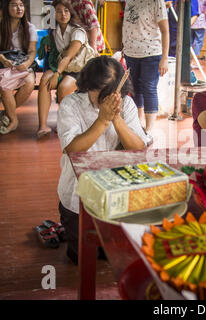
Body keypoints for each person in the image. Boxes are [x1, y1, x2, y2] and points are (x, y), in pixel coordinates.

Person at [57, 56, 151, 264]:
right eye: (99, 92)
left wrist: (116, 118)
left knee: (113, 255)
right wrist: (102, 120)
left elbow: (138, 149)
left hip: (115, 194)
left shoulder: (125, 104)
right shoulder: (71, 105)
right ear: (87, 85)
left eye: (110, 93)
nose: (105, 99)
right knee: (81, 258)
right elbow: (72, 150)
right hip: (76, 196)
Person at [37, 0, 88, 139]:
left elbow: (68, 56)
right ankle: (42, 125)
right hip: (62, 67)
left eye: (66, 11)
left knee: (64, 87)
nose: (63, 14)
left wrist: (57, 74)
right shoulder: (54, 32)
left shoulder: (78, 31)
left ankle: (65, 123)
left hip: (78, 69)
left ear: (71, 13)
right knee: (44, 81)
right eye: (58, 11)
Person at [122, 0, 169, 135]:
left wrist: (164, 58)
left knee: (148, 88)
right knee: (134, 88)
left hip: (151, 53)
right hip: (131, 53)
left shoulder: (157, 2)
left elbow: (165, 31)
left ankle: (149, 129)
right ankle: (138, 123)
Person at [0, 0, 37, 135]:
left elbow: (32, 51)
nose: (19, 8)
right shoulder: (1, 25)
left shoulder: (29, 28)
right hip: (4, 64)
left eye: (21, 5)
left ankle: (6, 114)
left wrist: (27, 64)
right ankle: (13, 119)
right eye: (14, 5)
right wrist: (3, 60)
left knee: (29, 83)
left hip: (23, 63)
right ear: (7, 7)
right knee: (5, 87)